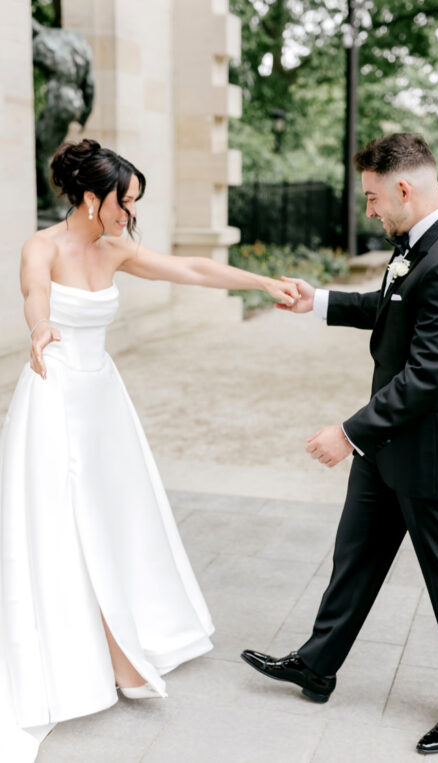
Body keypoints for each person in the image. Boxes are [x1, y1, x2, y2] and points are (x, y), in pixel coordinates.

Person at [0, 138, 299, 761]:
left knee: (115, 518)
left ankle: (126, 639)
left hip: (103, 400)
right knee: (67, 524)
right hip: (54, 396)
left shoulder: (116, 249)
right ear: (90, 197)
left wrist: (261, 281)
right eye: (123, 201)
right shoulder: (42, 246)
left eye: (134, 202)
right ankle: (108, 655)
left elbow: (191, 269)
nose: (130, 212)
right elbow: (33, 293)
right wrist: (40, 326)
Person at [241, 133, 438, 755]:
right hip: (389, 447)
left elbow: (426, 375)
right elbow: (392, 306)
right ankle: (317, 665)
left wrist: (348, 433)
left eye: (374, 197)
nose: (371, 210)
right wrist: (318, 301)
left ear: (404, 188)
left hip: (436, 453)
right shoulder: (417, 241)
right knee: (354, 556)